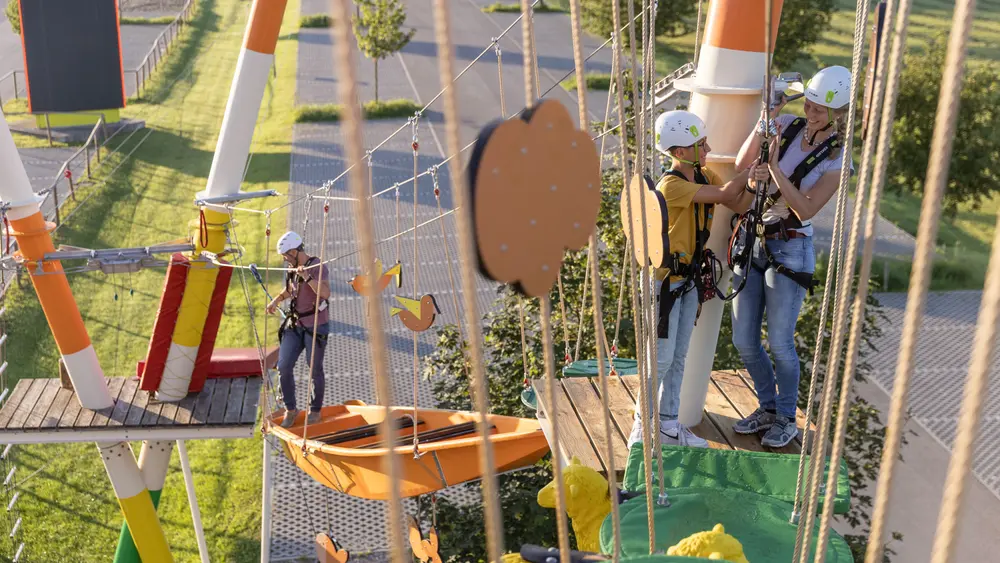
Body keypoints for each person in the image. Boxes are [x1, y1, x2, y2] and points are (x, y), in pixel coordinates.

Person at [729, 65, 855, 447]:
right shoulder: (784, 125)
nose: (810, 112)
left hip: (790, 247)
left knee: (780, 341)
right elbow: (741, 164)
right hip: (754, 239)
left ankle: (786, 417)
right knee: (743, 339)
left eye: (819, 109)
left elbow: (806, 208)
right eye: (809, 104)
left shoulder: (839, 158)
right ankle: (767, 407)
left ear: (838, 113)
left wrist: (774, 172)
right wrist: (767, 118)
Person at [627, 110, 761, 450]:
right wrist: (748, 172)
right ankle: (642, 424)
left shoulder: (704, 175)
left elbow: (738, 201)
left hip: (687, 281)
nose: (708, 148)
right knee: (661, 357)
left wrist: (752, 182)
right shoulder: (671, 186)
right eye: (701, 144)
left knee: (679, 356)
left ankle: (669, 424)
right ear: (680, 152)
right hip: (666, 282)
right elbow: (725, 195)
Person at [267, 231, 332, 428]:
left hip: (316, 326)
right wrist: (277, 300)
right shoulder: (292, 268)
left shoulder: (318, 267)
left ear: (294, 252)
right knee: (284, 366)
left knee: (314, 368)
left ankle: (315, 410)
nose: (285, 260)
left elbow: (325, 293)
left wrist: (307, 277)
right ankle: (291, 409)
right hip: (295, 325)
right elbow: (290, 290)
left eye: (286, 256)